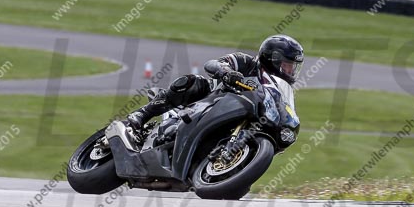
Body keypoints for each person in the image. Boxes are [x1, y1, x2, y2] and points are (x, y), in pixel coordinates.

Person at [125, 35, 304, 146]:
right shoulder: (247, 62)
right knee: (192, 82)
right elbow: (213, 63)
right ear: (273, 58)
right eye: (287, 65)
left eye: (293, 67)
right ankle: (141, 115)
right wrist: (227, 72)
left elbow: (283, 109)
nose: (291, 71)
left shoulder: (280, 89)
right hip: (210, 100)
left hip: (239, 117)